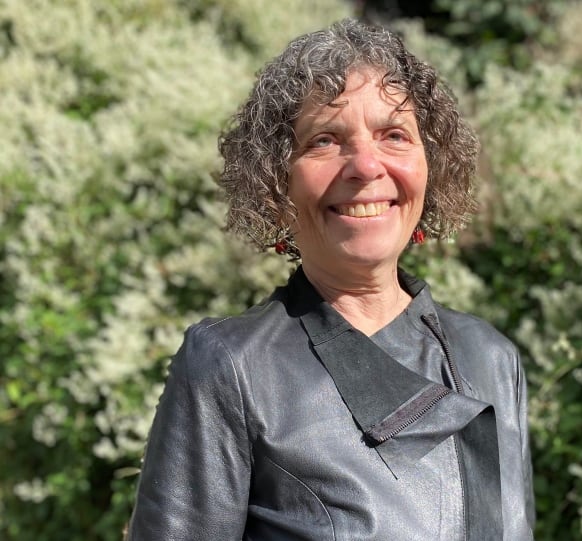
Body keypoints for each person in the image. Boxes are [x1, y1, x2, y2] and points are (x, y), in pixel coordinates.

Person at [127, 18, 534, 541]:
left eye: (394, 135)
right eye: (325, 140)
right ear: (277, 182)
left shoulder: (492, 357)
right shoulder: (232, 367)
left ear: (431, 166)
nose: (366, 165)